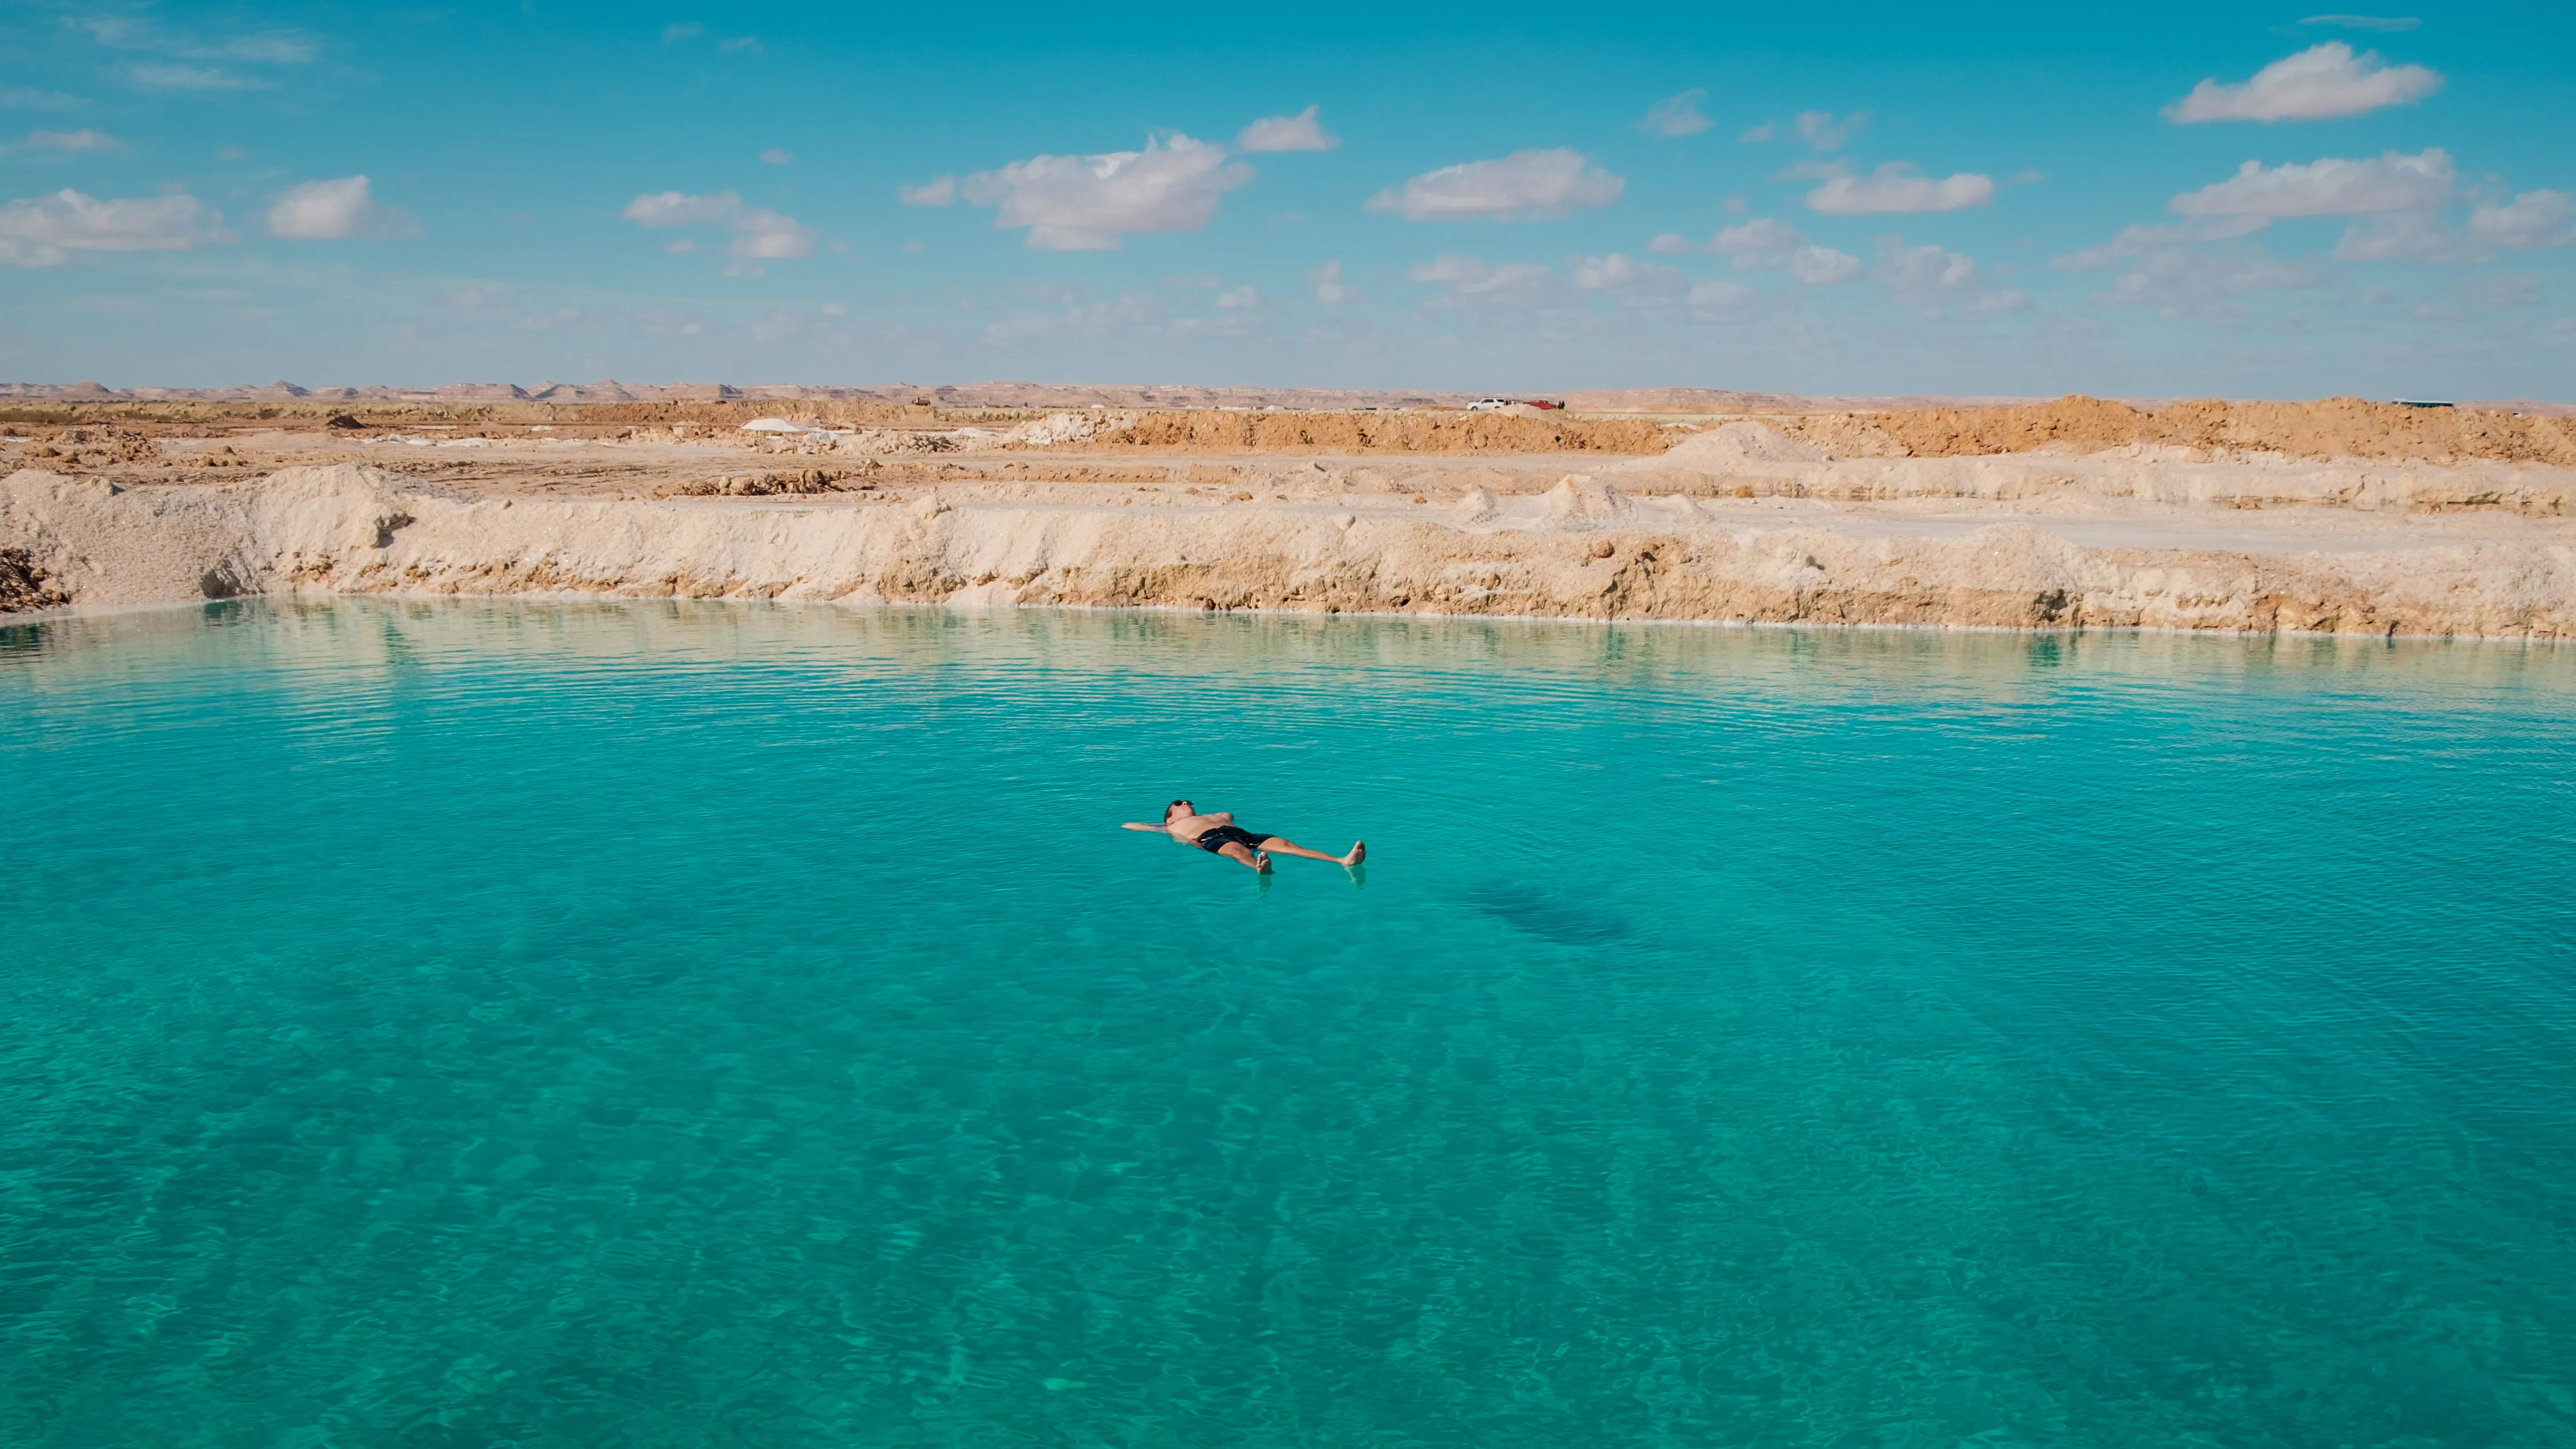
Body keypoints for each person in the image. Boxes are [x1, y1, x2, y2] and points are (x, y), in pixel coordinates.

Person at [1122, 799, 1365, 873]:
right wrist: (1170, 825)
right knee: (1240, 852)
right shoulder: (1169, 827)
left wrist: (1214, 817)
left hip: (1242, 833)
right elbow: (1129, 825)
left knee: (1290, 846)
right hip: (1208, 838)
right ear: (1169, 817)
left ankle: (1342, 860)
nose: (1186, 802)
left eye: (1188, 802)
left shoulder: (1215, 814)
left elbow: (1229, 813)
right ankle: (1259, 868)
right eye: (1179, 803)